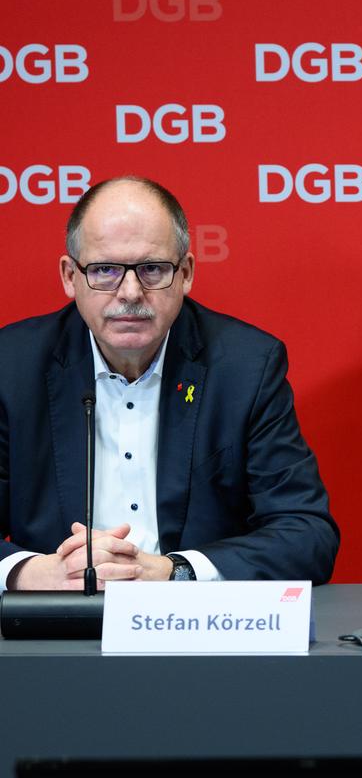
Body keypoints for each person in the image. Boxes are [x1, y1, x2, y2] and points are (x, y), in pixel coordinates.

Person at [0, 176, 339, 590]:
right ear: (70, 276)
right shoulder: (11, 367)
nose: (130, 292)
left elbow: (307, 534)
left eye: (152, 269)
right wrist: (30, 573)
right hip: (51, 629)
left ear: (186, 273)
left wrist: (175, 572)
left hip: (198, 630)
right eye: (105, 270)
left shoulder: (245, 367)